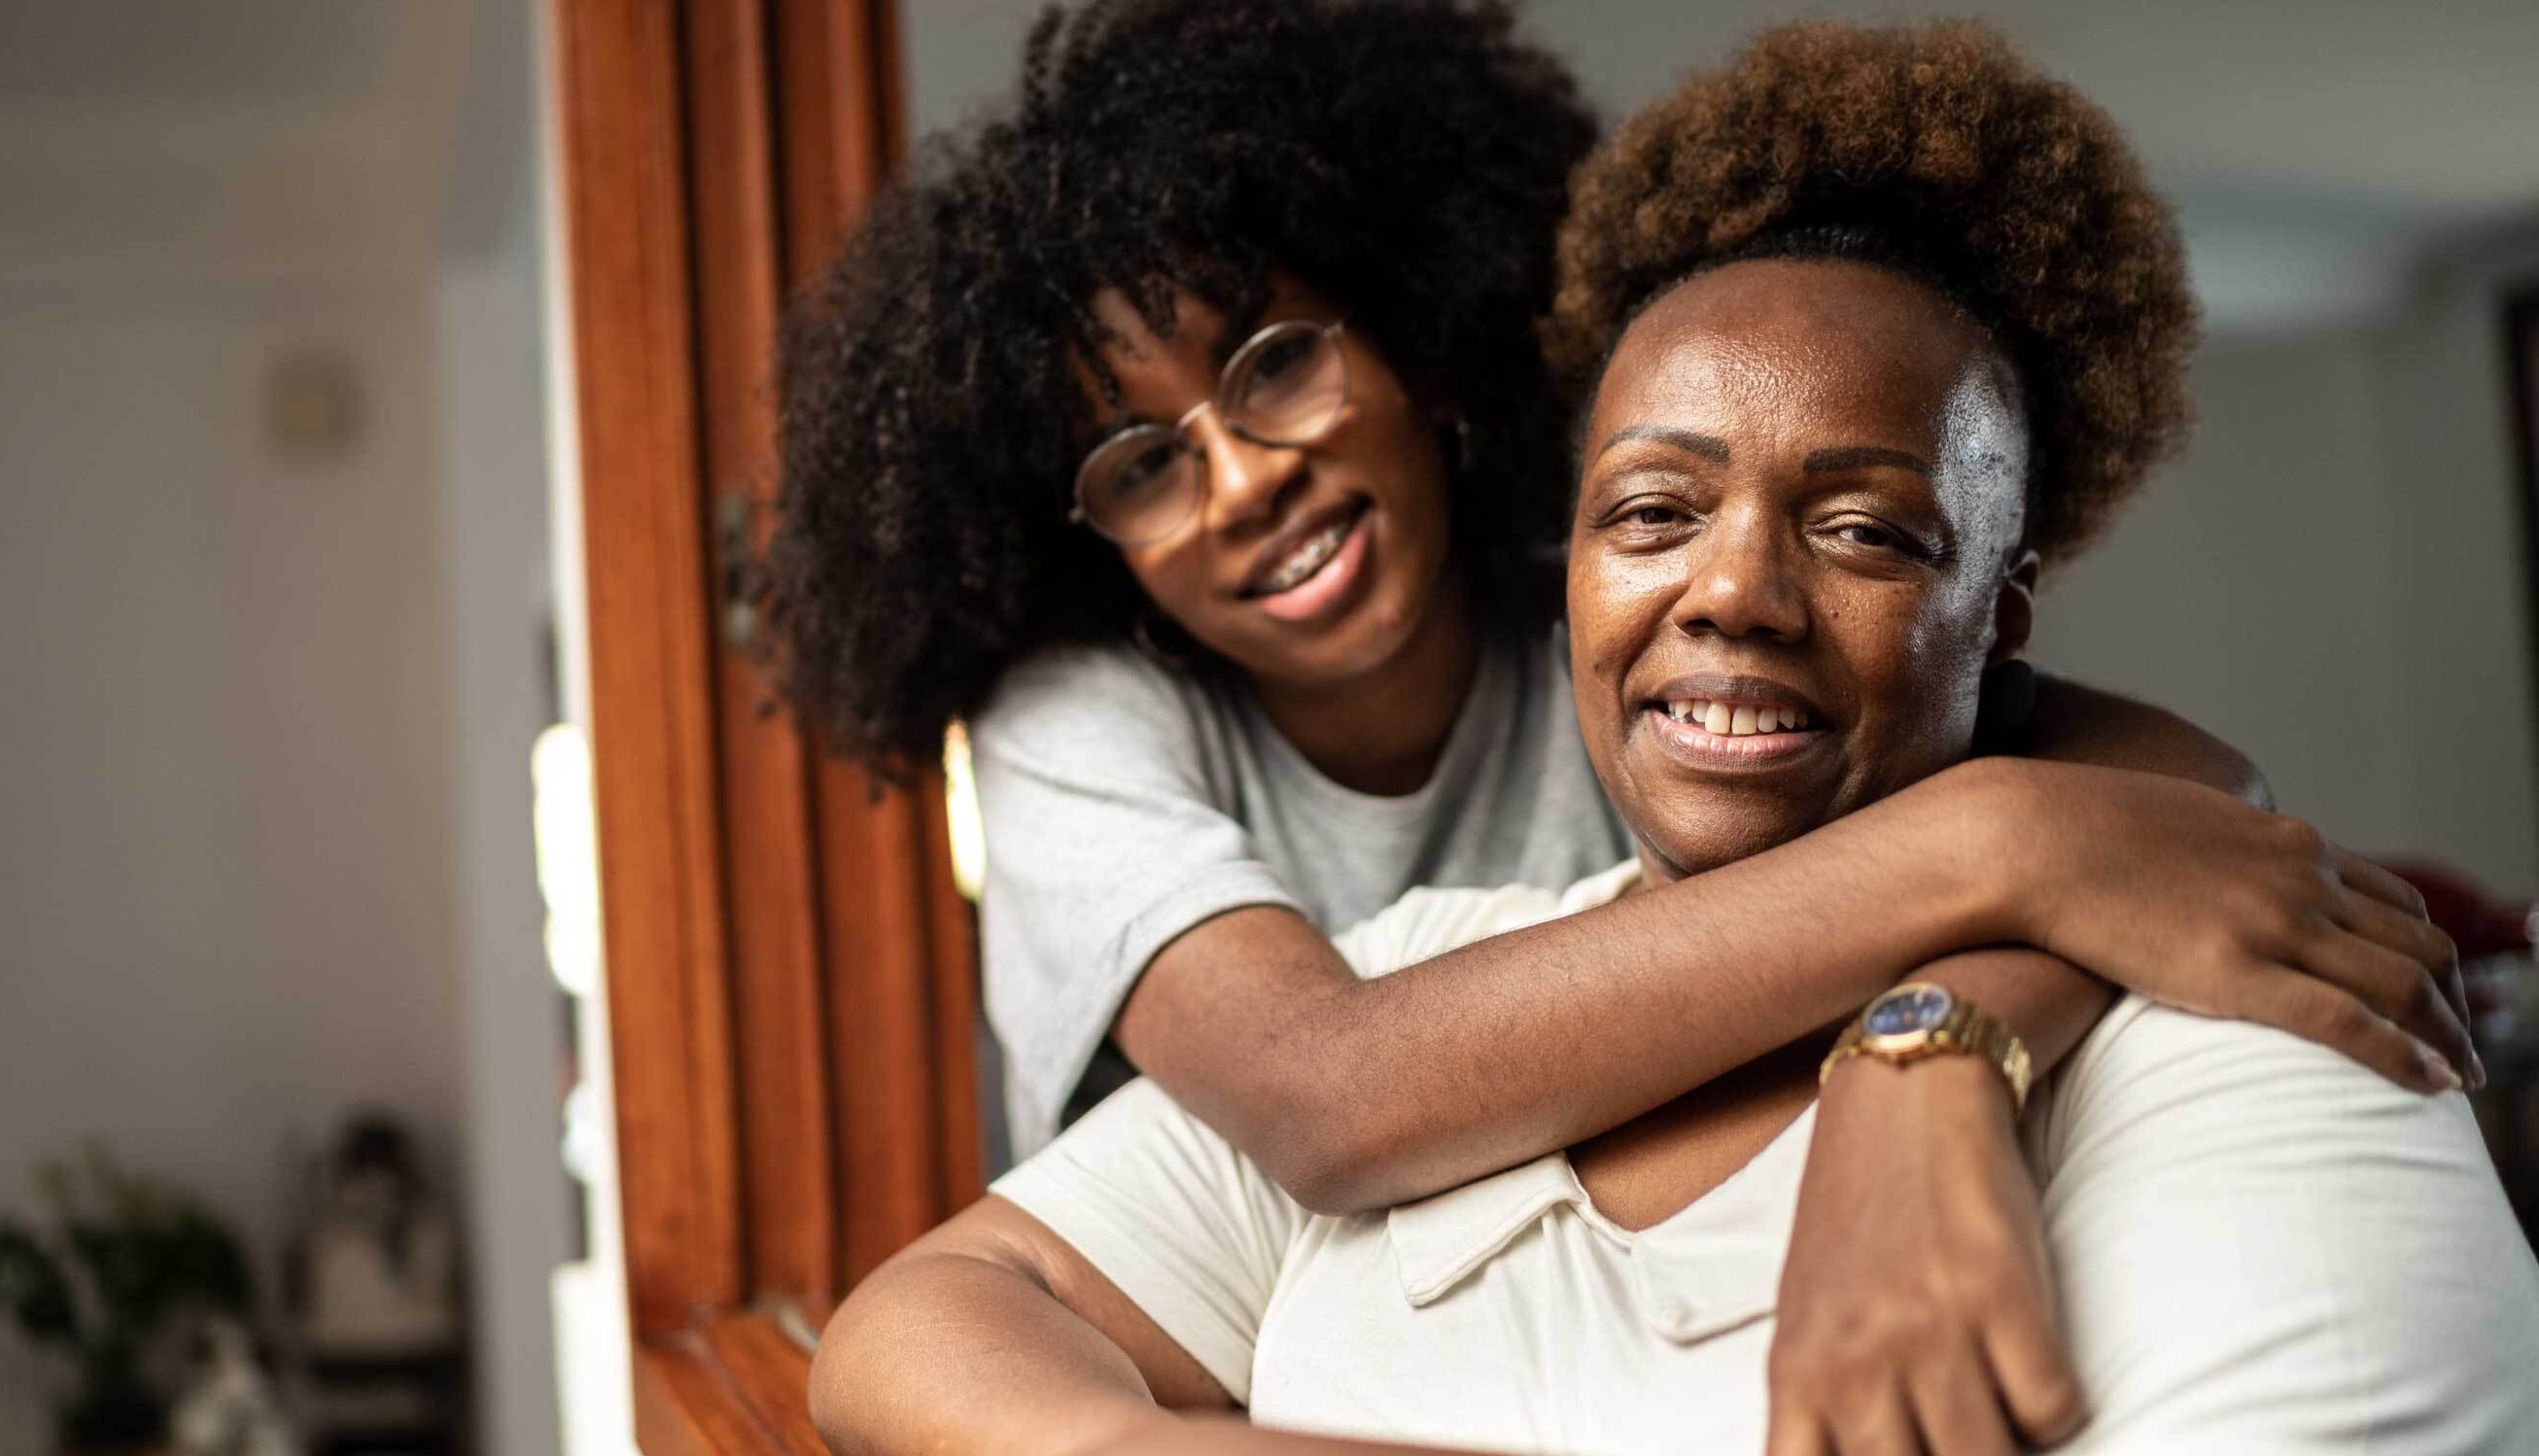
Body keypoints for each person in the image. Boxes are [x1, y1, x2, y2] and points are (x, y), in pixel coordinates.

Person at [805, 20, 2539, 1456]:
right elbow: (1327, 1095)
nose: (1244, 476)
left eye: (1272, 366)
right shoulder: (1113, 741)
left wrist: (1926, 1059)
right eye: (1143, 462)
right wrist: (2000, 853)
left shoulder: (1592, 585)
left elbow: (2164, 803)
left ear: (1421, 349)